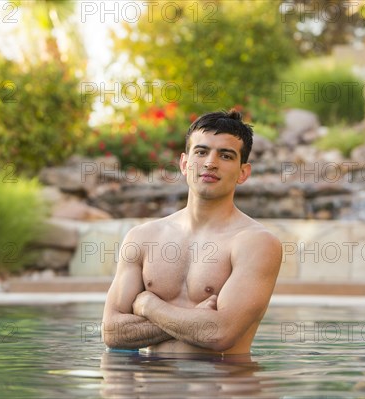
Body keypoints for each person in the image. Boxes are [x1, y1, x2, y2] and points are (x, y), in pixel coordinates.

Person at [101, 109, 282, 355]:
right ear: (185, 164)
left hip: (221, 386)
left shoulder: (256, 243)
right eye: (201, 152)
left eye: (226, 156)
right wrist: (195, 319)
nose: (210, 163)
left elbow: (219, 333)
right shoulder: (143, 238)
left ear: (243, 173)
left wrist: (149, 305)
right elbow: (112, 332)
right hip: (153, 388)